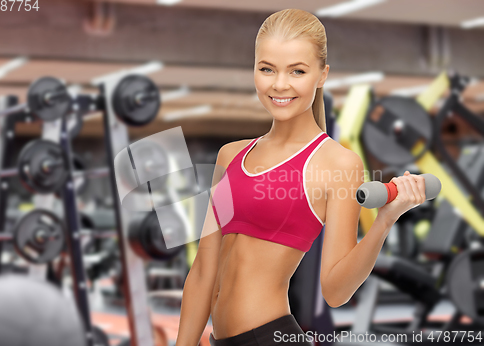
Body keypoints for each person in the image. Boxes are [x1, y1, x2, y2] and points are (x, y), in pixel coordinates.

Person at [176, 8, 426, 346]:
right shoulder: (230, 155)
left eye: (297, 71)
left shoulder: (338, 164)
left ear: (322, 75)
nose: (280, 84)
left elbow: (335, 291)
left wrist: (385, 220)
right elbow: (203, 271)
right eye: (267, 69)